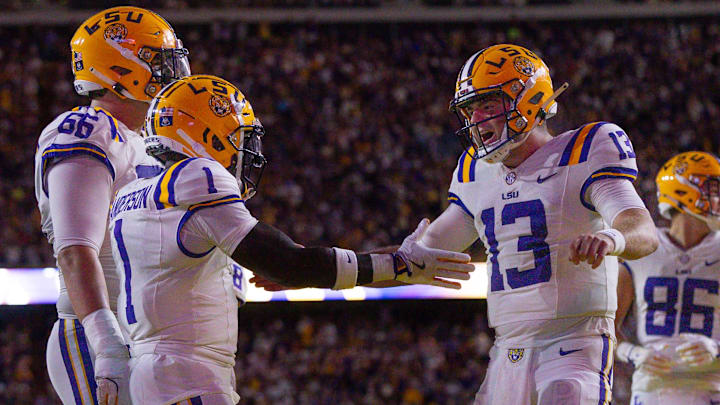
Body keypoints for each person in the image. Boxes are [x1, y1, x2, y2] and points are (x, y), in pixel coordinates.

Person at [107, 74, 474, 404]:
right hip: (186, 376)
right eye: (238, 136)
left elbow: (294, 262)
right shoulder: (196, 176)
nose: (244, 149)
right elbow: (292, 264)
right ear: (204, 131)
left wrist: (393, 262)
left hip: (156, 371)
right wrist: (395, 266)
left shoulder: (137, 191)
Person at [428, 43, 659, 404]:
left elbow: (642, 230)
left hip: (575, 341)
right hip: (509, 350)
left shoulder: (585, 148)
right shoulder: (474, 170)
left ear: (529, 98)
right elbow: (424, 251)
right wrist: (351, 266)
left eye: (488, 105)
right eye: (471, 111)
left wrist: (610, 239)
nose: (476, 121)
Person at [33, 6, 191, 404]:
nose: (172, 73)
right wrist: (107, 345)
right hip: (102, 338)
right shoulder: (87, 132)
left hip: (151, 339)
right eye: (158, 61)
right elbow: (74, 250)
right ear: (120, 69)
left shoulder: (146, 142)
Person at [615, 151, 720, 405]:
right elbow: (605, 329)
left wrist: (716, 348)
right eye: (713, 190)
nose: (717, 198)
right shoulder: (644, 246)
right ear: (685, 192)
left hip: (712, 386)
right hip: (652, 389)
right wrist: (634, 353)